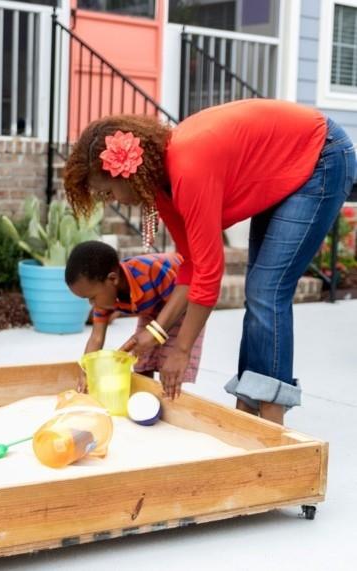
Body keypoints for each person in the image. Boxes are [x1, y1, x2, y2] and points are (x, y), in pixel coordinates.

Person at [63, 99, 355, 425]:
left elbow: (209, 273)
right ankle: (249, 408)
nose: (112, 200)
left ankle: (271, 421)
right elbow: (189, 263)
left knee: (267, 290)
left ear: (127, 171)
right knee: (259, 290)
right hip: (288, 162)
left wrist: (181, 349)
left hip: (320, 156)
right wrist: (157, 333)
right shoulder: (163, 188)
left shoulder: (188, 171)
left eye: (107, 192)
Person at [66, 240, 204, 393]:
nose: (92, 303)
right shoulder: (104, 296)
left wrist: (156, 333)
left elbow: (184, 297)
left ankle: (173, 401)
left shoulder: (151, 270)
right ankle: (145, 399)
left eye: (91, 297)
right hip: (152, 308)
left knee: (171, 364)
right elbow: (96, 337)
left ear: (113, 279)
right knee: (143, 360)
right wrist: (86, 370)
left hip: (184, 303)